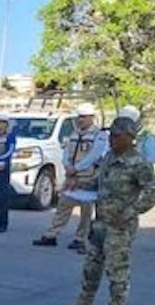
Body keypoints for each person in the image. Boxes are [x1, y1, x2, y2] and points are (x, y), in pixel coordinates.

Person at [55, 117, 155, 305]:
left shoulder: (138, 163)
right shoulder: (109, 157)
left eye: (116, 136)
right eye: (110, 135)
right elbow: (100, 182)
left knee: (117, 271)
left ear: (129, 138)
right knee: (92, 267)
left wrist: (131, 212)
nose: (111, 139)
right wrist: (81, 185)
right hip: (101, 222)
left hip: (120, 226)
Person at [34, 104, 108, 251]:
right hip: (71, 177)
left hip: (87, 178)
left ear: (91, 118)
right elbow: (66, 152)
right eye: (79, 117)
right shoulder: (74, 134)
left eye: (83, 117)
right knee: (63, 206)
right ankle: (51, 235)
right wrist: (67, 165)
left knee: (86, 212)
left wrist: (77, 168)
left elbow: (95, 155)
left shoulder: (99, 135)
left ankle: (80, 238)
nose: (80, 120)